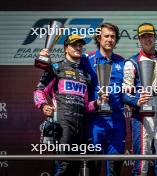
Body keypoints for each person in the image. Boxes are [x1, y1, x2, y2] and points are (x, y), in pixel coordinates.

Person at [33, 34, 104, 176]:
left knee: (77, 167)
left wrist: (97, 103)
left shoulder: (85, 74)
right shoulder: (56, 67)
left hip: (82, 126)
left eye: (80, 45)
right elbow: (39, 91)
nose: (78, 48)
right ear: (66, 48)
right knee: (64, 166)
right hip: (63, 124)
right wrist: (43, 106)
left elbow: (85, 106)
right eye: (74, 45)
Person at [122, 23, 157, 176]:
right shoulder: (131, 62)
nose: (147, 39)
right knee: (142, 161)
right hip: (142, 112)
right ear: (139, 39)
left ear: (155, 37)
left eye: (150, 36)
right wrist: (137, 100)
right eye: (143, 36)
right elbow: (124, 94)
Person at [80, 22, 126, 176]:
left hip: (117, 121)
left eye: (113, 37)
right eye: (106, 36)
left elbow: (128, 91)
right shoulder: (86, 60)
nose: (110, 39)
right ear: (99, 38)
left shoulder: (123, 62)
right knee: (93, 168)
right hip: (95, 122)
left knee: (114, 170)